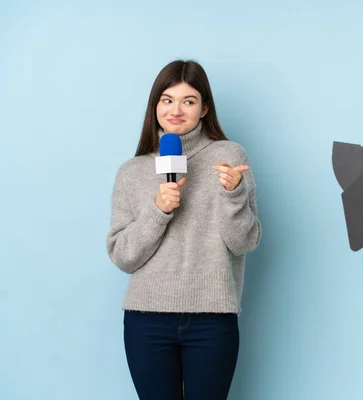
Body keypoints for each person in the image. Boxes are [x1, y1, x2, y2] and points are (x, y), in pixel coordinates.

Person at [106, 59, 261, 400]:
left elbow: (244, 242)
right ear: (155, 106)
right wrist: (158, 210)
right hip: (146, 321)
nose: (177, 110)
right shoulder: (131, 171)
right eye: (167, 99)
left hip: (212, 318)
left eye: (189, 101)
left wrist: (234, 195)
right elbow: (123, 256)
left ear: (204, 108)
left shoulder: (229, 156)